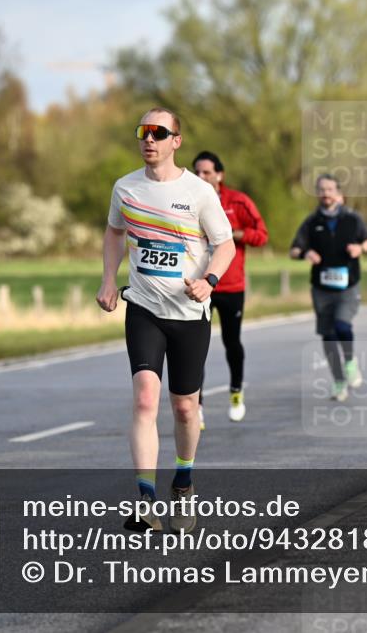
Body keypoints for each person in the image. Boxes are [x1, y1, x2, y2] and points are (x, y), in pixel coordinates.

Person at [97, 107, 234, 534]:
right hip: (143, 307)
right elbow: (115, 233)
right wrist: (108, 281)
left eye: (159, 132)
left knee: (185, 407)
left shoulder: (198, 192)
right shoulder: (126, 188)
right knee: (143, 399)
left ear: (177, 141)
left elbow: (224, 245)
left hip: (190, 313)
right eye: (143, 131)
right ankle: (145, 499)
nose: (149, 139)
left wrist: (209, 281)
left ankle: (185, 482)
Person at [193, 151, 269, 423]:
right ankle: (196, 406)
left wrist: (237, 235)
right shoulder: (187, 199)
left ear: (219, 175)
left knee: (231, 342)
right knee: (195, 347)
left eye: (206, 172)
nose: (201, 177)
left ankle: (236, 391)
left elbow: (262, 235)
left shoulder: (238, 201)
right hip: (199, 287)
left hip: (231, 286)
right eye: (197, 172)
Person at [289, 174, 367, 402]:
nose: (326, 193)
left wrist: (360, 248)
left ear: (339, 193)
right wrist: (306, 253)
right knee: (327, 335)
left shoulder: (353, 219)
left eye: (330, 189)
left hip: (348, 285)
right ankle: (338, 382)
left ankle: (350, 362)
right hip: (321, 288)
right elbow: (294, 249)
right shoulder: (311, 222)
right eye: (321, 189)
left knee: (342, 326)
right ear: (317, 193)